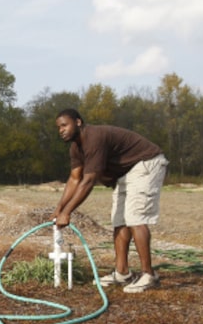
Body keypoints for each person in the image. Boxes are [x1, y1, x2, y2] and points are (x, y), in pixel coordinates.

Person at [50, 108, 168, 293]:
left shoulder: (94, 138)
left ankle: (149, 275)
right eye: (58, 127)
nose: (61, 130)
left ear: (78, 122)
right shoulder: (76, 148)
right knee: (119, 221)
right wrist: (60, 207)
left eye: (65, 125)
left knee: (135, 217)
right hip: (125, 173)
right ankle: (122, 273)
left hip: (146, 163)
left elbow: (88, 180)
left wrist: (67, 212)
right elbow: (74, 179)